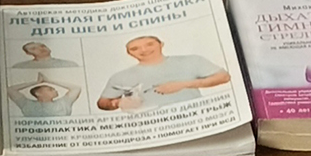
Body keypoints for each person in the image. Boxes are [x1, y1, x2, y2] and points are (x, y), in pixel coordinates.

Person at [95, 33, 230, 111]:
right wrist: (117, 103)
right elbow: (102, 102)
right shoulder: (121, 76)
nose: (144, 50)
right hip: (149, 127)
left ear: (161, 44)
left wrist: (183, 84)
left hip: (193, 117)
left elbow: (223, 77)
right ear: (129, 53)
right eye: (135, 48)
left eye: (149, 44)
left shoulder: (191, 60)